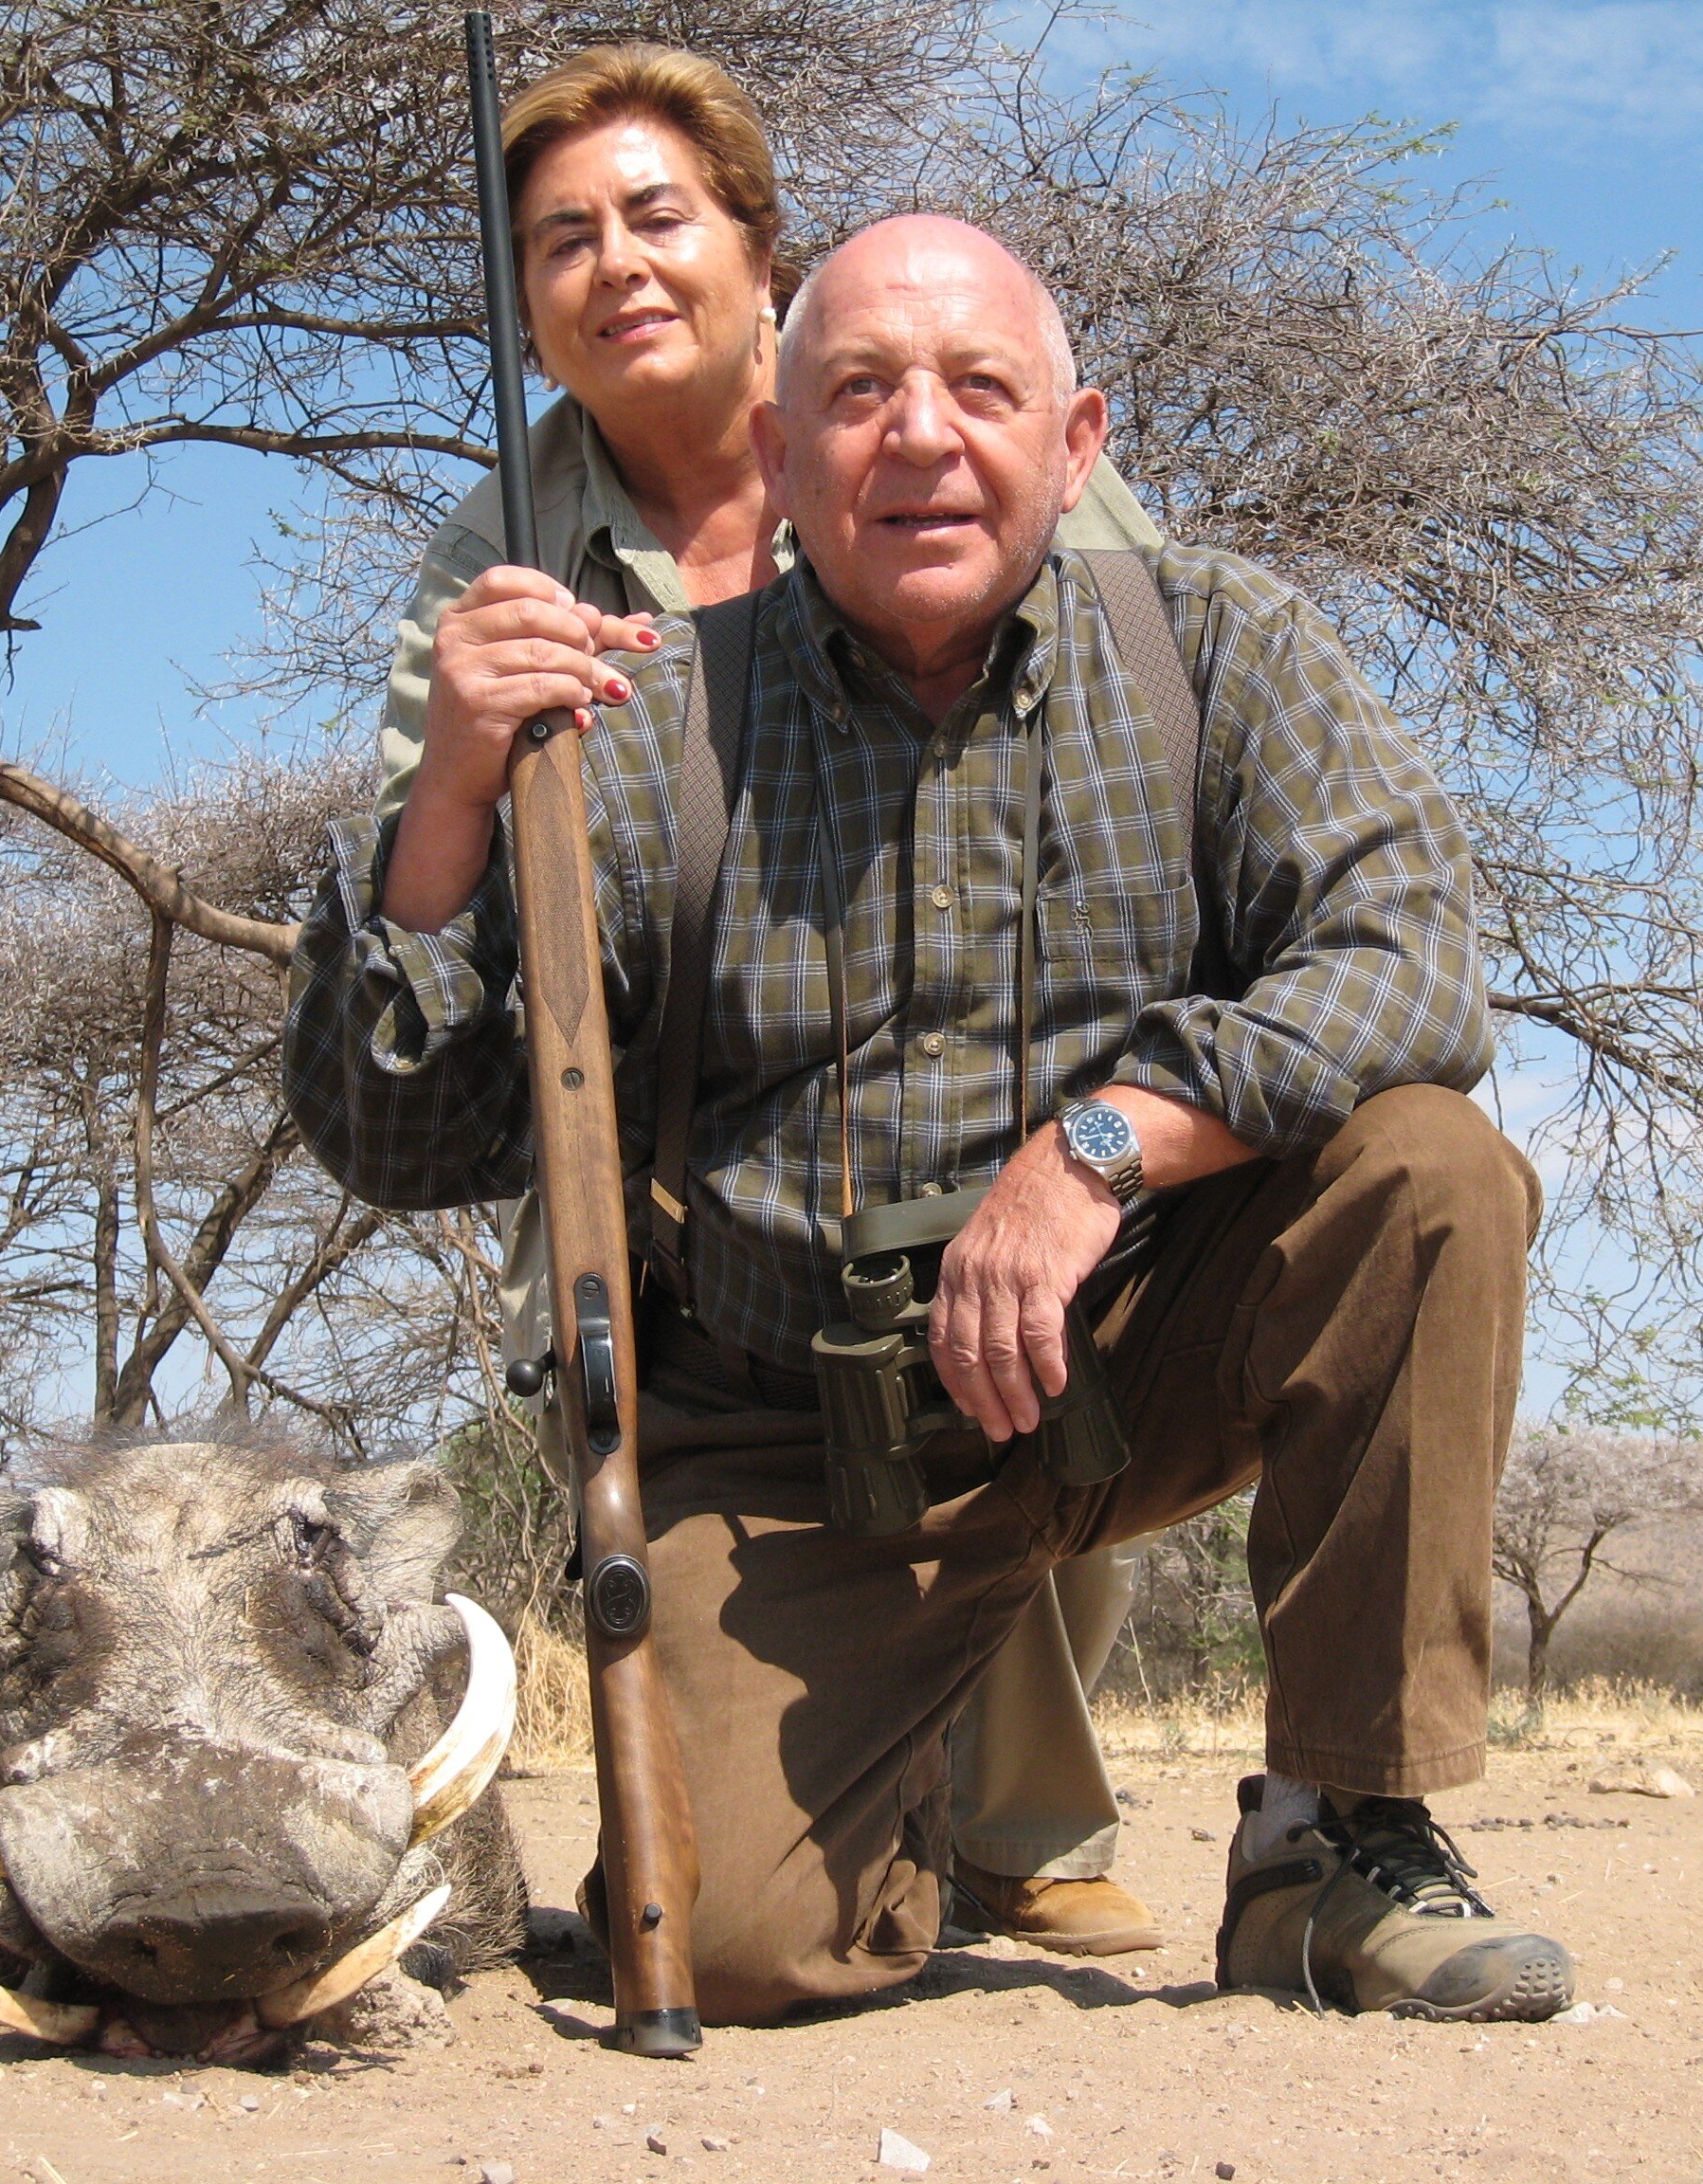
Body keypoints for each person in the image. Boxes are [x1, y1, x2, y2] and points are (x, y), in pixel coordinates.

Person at [287, 209, 1574, 2026]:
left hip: (1125, 1359)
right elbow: (413, 1145)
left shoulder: (1224, 644)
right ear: (777, 453)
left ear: (1081, 438)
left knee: (1432, 1168)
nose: (922, 437)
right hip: (795, 1441)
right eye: (862, 393)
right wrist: (445, 804)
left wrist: (1100, 1148)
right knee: (729, 1952)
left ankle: (1339, 1837)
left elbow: (1414, 963)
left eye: (983, 388)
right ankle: (882, 1810)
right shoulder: (639, 733)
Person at [372, 43, 1165, 1959]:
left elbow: (1129, 705)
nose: (617, 266)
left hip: (1007, 1035)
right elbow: (434, 897)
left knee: (996, 1288)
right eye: (560, 238)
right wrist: (465, 762)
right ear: (521, 294)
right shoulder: (494, 554)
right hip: (706, 1115)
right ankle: (824, 1821)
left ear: (757, 249)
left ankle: (1034, 1829)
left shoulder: (921, 423)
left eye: (660, 216)